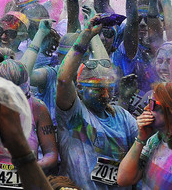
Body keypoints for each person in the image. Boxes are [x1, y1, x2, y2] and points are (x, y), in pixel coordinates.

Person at [56, 15, 138, 190]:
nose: (105, 94)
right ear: (79, 90)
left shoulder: (122, 116)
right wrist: (86, 36)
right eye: (97, 89)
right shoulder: (74, 114)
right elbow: (63, 80)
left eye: (108, 87)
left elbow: (139, 151)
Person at [116, 82, 172, 188]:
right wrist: (141, 139)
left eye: (152, 104)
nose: (146, 108)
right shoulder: (155, 140)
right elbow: (124, 179)